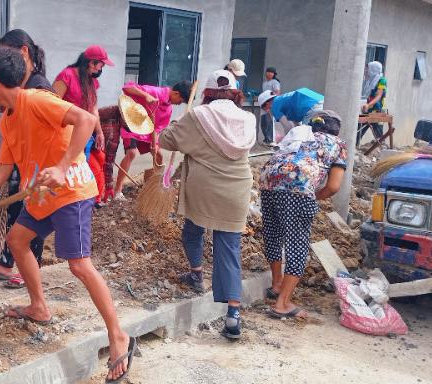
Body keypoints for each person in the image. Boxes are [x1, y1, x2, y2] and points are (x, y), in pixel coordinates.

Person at [0, 47, 135, 382]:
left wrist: (61, 167)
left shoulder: (37, 100)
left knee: (79, 265)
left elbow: (86, 120)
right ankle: (39, 307)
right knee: (17, 240)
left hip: (70, 191)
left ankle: (119, 336)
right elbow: (4, 165)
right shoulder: (7, 119)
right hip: (42, 197)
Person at [159, 70, 256, 340]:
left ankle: (196, 273)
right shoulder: (249, 118)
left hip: (203, 188)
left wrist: (177, 126)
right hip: (237, 188)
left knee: (193, 229)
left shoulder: (198, 116)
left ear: (208, 93)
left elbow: (166, 140)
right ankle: (233, 315)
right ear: (235, 93)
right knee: (229, 246)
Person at [0, 29, 51, 288]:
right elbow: (7, 158)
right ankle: (10, 265)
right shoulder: (14, 98)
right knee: (17, 216)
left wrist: (54, 169)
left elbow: (77, 123)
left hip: (48, 176)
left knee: (78, 262)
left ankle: (32, 271)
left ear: (23, 52)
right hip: (24, 167)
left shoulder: (39, 90)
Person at [259, 110, 347, 319]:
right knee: (297, 244)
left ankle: (277, 285)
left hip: (267, 181)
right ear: (336, 128)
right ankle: (282, 304)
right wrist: (313, 196)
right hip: (297, 188)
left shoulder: (301, 133)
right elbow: (334, 186)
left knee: (273, 235)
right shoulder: (338, 144)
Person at [53, 45, 113, 207]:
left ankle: (75, 201)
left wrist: (99, 131)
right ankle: (61, 201)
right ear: (92, 63)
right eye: (101, 64)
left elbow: (93, 107)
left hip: (85, 134)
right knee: (66, 166)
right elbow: (52, 105)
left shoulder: (92, 82)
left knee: (80, 167)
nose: (102, 68)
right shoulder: (66, 76)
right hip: (66, 133)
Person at [112, 80, 193, 200]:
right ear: (176, 93)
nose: (178, 104)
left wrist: (154, 143)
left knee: (159, 155)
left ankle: (154, 187)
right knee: (132, 153)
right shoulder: (155, 92)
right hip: (132, 125)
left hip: (146, 132)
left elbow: (157, 127)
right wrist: (145, 95)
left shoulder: (168, 109)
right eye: (180, 101)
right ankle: (117, 191)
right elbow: (127, 87)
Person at [358, 61, 387, 145]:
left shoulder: (382, 81)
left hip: (377, 108)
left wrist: (368, 105)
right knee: (360, 128)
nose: (366, 71)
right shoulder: (369, 80)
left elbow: (378, 96)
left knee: (376, 127)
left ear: (373, 70)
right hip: (368, 108)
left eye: (367, 69)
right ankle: (355, 143)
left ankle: (381, 146)